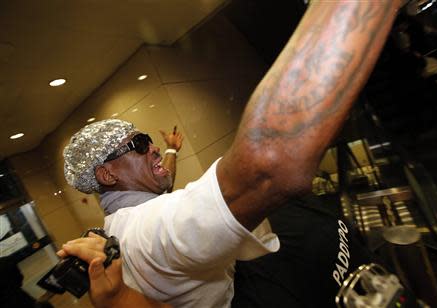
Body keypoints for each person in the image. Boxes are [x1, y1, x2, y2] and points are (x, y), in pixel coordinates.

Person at [62, 1, 403, 307]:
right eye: (138, 145)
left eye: (147, 139)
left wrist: (170, 151)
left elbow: (162, 187)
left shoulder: (132, 216)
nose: (150, 146)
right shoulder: (146, 232)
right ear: (107, 175)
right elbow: (267, 170)